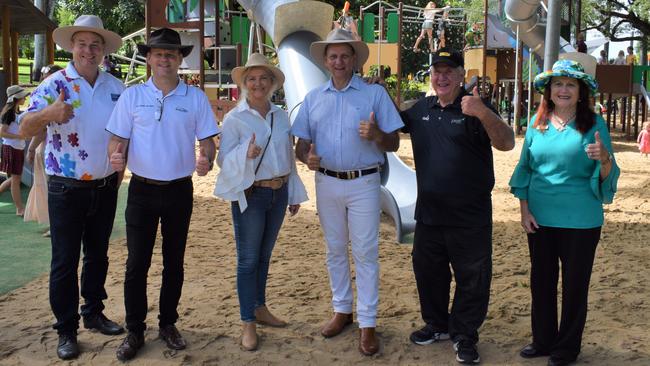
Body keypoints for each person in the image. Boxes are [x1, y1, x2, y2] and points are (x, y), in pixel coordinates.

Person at [106, 27, 219, 361]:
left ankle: (168, 323)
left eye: (171, 54)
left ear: (180, 59)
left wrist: (207, 160)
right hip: (141, 189)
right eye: (158, 53)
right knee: (136, 264)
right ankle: (135, 330)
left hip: (179, 191)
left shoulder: (194, 98)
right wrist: (116, 155)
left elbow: (208, 142)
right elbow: (118, 141)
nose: (165, 59)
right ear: (149, 58)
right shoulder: (132, 96)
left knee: (174, 262)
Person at [19, 15, 126, 360]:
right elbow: (23, 127)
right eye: (82, 44)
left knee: (97, 255)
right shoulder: (54, 84)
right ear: (72, 47)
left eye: (96, 45)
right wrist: (50, 112)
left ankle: (93, 312)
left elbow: (124, 133)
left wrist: (120, 169)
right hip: (65, 186)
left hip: (106, 184)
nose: (89, 50)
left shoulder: (115, 87)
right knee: (64, 261)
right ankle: (66, 329)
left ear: (103, 50)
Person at [291, 28, 403, 356]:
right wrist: (306, 157)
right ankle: (342, 310)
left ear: (354, 59)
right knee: (335, 249)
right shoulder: (313, 98)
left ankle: (367, 323)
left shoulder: (374, 95)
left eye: (344, 55)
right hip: (326, 181)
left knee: (366, 252)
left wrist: (378, 134)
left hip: (365, 181)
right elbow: (301, 145)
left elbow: (393, 142)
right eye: (333, 56)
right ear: (325, 61)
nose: (339, 61)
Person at [399, 48, 514, 365]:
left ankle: (464, 334)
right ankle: (437, 325)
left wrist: (482, 112)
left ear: (462, 74)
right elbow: (388, 126)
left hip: (470, 217)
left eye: (449, 70)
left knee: (473, 279)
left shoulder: (475, 106)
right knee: (428, 273)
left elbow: (506, 142)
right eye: (437, 70)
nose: (442, 76)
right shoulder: (422, 108)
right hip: (430, 215)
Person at [510, 58, 620, 366]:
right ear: (549, 91)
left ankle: (566, 348)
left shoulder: (595, 124)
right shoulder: (537, 122)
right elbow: (525, 170)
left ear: (581, 91)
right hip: (540, 217)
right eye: (558, 84)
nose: (563, 89)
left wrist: (605, 158)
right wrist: (524, 211)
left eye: (571, 84)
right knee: (541, 281)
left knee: (574, 286)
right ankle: (543, 340)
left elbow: (607, 174)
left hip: (582, 220)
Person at [213, 53, 308, 351]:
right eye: (251, 79)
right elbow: (222, 159)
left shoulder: (281, 116)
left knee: (265, 257)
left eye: (263, 78)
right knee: (248, 260)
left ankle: (260, 307)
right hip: (251, 194)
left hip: (279, 193)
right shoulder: (234, 118)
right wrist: (245, 152)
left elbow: (287, 157)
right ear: (244, 83)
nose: (257, 83)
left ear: (271, 83)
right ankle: (247, 323)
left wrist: (292, 192)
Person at [24, 64, 64, 234]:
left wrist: (31, 148)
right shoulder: (46, 97)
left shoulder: (55, 97)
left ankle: (56, 224)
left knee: (50, 188)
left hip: (51, 150)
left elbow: (41, 130)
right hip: (48, 149)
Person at [0, 85, 30, 216]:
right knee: (16, 179)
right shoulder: (9, 113)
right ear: (16, 97)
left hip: (16, 148)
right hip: (11, 148)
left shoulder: (15, 112)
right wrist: (19, 136)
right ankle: (19, 208)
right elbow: (2, 133)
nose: (25, 98)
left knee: (15, 178)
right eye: (23, 96)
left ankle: (19, 207)